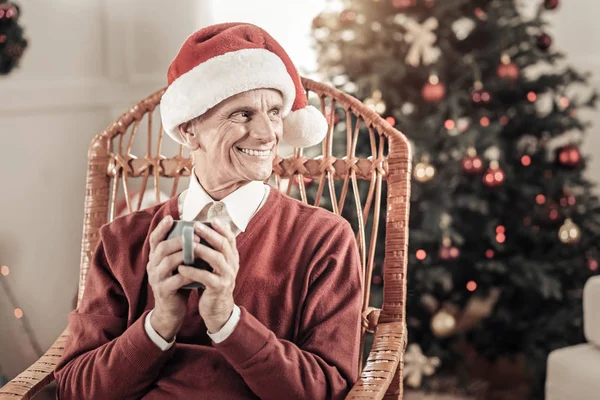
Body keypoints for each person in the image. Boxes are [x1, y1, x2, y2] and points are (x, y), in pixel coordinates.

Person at [55, 22, 363, 400]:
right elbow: (75, 389)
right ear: (189, 130)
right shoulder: (123, 240)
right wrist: (160, 321)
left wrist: (227, 320)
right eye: (242, 115)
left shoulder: (324, 239)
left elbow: (328, 392)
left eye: (276, 112)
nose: (268, 134)